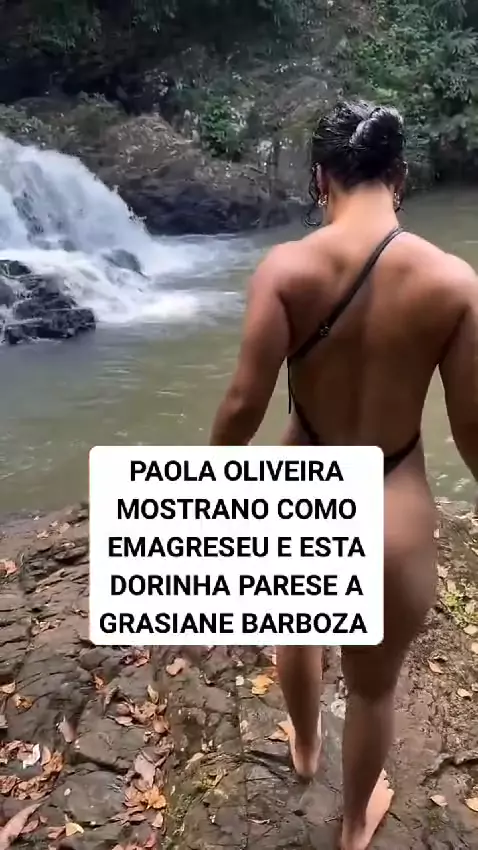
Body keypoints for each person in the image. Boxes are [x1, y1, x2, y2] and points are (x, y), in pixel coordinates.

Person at [209, 99, 478, 850]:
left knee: (296, 627)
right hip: (392, 495)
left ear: (320, 177)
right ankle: (355, 823)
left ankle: (303, 748)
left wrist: (206, 486)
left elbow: (242, 404)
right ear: (401, 175)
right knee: (372, 685)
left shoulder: (287, 269)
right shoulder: (454, 282)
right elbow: (472, 430)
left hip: (304, 478)